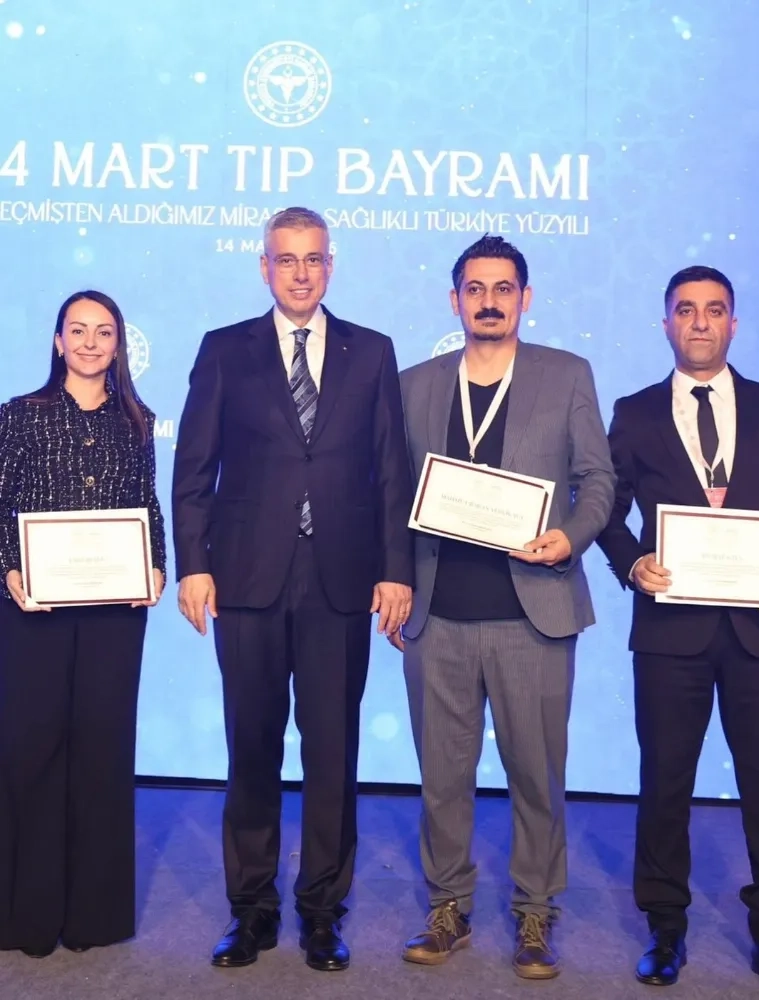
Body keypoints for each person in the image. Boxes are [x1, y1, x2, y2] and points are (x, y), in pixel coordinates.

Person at [172, 206, 414, 972]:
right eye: (287, 259)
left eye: (314, 259)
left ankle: (321, 912)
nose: (301, 273)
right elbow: (193, 467)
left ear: (330, 266)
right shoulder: (224, 350)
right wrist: (193, 563)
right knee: (251, 746)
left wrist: (396, 569)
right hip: (246, 579)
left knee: (332, 751)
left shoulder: (371, 352)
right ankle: (250, 910)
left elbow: (392, 469)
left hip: (341, 580)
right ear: (265, 267)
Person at [393, 234, 615, 978]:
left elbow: (598, 479)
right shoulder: (415, 384)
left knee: (537, 776)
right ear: (454, 299)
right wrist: (391, 583)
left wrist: (570, 537)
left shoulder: (566, 374)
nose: (489, 301)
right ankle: (447, 906)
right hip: (437, 616)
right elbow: (390, 494)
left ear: (525, 297)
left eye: (503, 288)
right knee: (441, 778)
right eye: (475, 288)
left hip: (535, 615)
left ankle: (535, 912)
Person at [596, 265, 759, 997]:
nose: (701, 322)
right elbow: (605, 509)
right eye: (686, 310)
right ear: (667, 324)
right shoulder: (636, 412)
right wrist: (632, 563)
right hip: (669, 633)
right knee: (665, 783)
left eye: (715, 310)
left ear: (734, 324)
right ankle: (665, 928)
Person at [0, 290, 166, 958]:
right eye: (79, 330)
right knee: (31, 752)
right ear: (58, 340)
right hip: (32, 613)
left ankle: (94, 918)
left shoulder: (136, 421)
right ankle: (27, 916)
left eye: (104, 332)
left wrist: (157, 565)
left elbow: (148, 504)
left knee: (102, 754)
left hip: (113, 617)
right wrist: (8, 570)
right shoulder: (21, 415)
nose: (91, 343)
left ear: (118, 344)